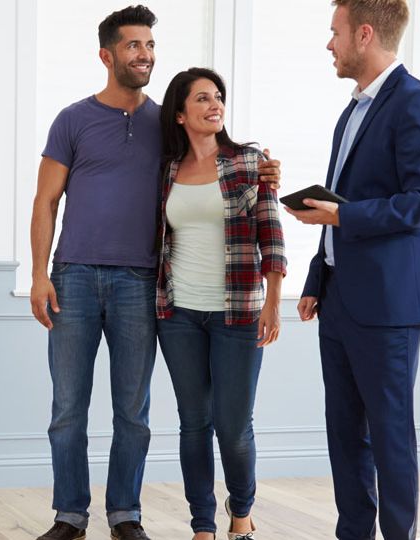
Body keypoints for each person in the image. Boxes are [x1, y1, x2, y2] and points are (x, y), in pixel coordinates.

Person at [29, 6, 283, 540]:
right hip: (73, 276)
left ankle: (125, 513)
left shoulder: (166, 125)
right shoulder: (71, 120)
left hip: (141, 283)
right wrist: (38, 272)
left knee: (134, 412)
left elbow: (213, 159)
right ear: (107, 55)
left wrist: (263, 169)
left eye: (150, 44)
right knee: (67, 410)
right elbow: (45, 201)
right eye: (133, 46)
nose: (145, 54)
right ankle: (70, 515)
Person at [285, 1, 420, 539]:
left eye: (334, 33)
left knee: (390, 435)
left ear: (363, 34)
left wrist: (343, 214)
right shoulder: (352, 110)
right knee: (344, 435)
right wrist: (317, 277)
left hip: (387, 306)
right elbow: (343, 202)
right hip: (338, 300)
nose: (328, 44)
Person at [156, 67, 286, 540]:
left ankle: (243, 512)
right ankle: (202, 526)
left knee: (233, 428)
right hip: (178, 314)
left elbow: (271, 236)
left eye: (219, 98)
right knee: (193, 424)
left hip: (238, 313)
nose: (215, 105)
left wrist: (273, 303)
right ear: (179, 114)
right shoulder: (166, 170)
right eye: (202, 99)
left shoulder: (249, 163)